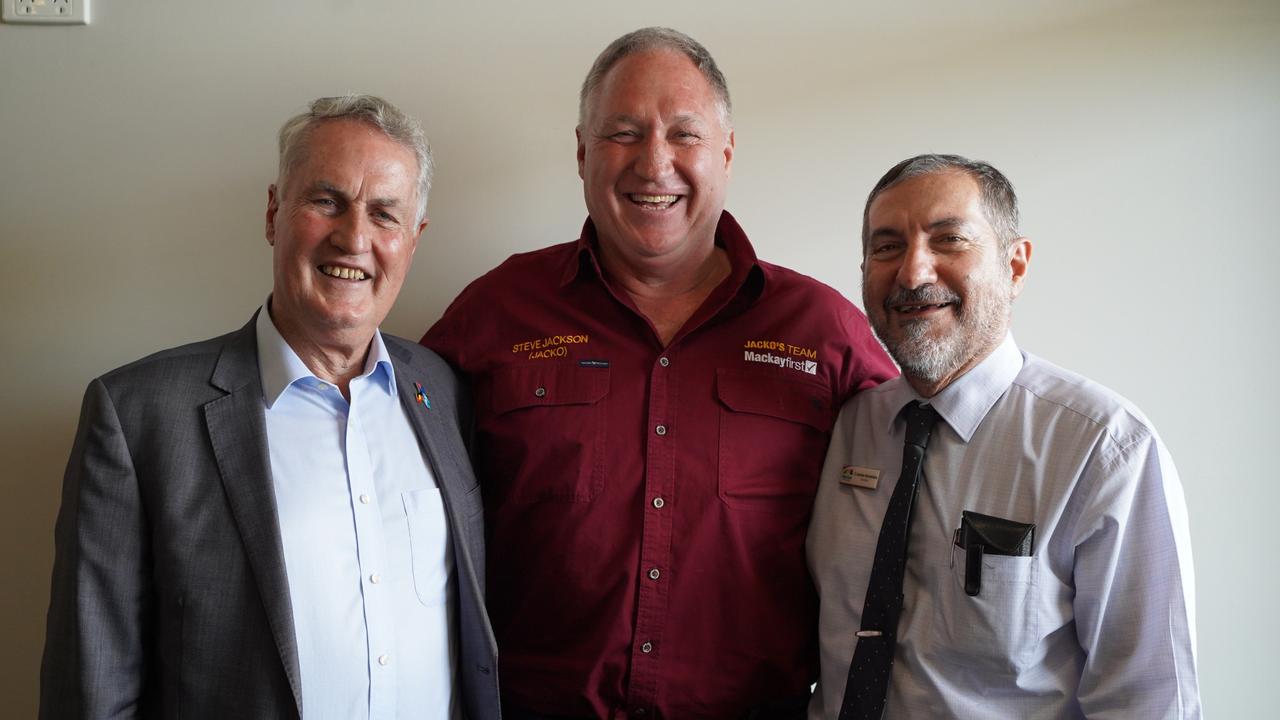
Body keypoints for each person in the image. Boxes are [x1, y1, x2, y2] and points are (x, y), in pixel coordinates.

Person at [422, 27, 896, 719]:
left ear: (726, 153)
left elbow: (921, 497)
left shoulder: (821, 332)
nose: (654, 163)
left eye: (684, 134)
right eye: (622, 132)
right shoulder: (496, 312)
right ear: (582, 153)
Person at [40, 95, 499, 720]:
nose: (354, 237)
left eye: (384, 214)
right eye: (326, 201)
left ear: (413, 241)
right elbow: (91, 687)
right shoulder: (138, 415)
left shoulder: (443, 391)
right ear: (273, 213)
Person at [807, 154, 1200, 718]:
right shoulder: (846, 428)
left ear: (1014, 267)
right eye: (887, 247)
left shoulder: (1105, 450)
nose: (914, 273)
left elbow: (1148, 699)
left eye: (949, 240)